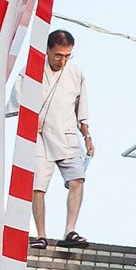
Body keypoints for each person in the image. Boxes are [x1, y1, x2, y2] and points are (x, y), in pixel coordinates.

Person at [32, 30, 93, 249]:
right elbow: (17, 102)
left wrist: (87, 136)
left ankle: (70, 230)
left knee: (77, 179)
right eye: (58, 55)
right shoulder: (31, 71)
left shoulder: (76, 73)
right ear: (48, 50)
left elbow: (82, 109)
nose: (63, 61)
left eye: (67, 56)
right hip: (40, 135)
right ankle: (41, 234)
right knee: (38, 186)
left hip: (67, 134)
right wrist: (30, 121)